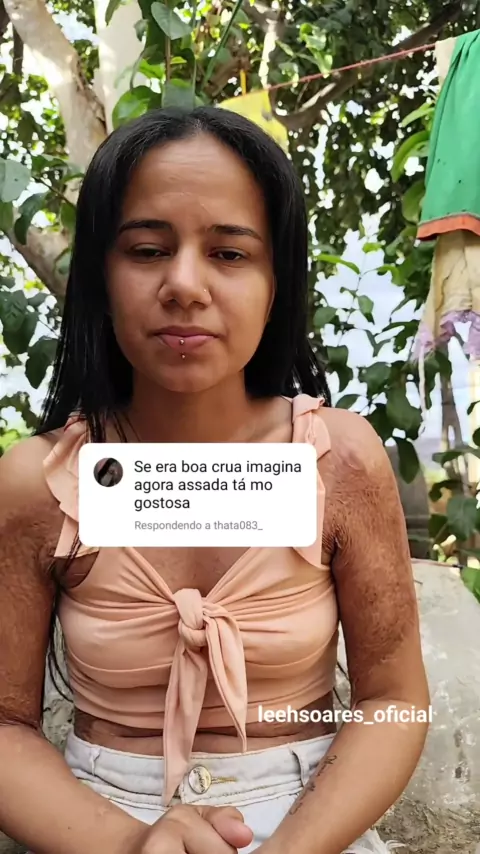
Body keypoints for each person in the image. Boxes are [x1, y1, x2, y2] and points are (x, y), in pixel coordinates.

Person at [0, 106, 429, 854]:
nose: (185, 285)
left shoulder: (339, 460)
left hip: (313, 825)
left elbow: (394, 702)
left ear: (276, 280)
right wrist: (132, 846)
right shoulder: (40, 483)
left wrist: (290, 850)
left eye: (230, 253)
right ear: (100, 275)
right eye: (147, 250)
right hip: (93, 826)